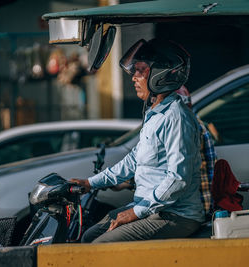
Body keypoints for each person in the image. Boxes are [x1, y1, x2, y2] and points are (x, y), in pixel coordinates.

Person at [70, 38, 204, 243]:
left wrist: (136, 212)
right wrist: (90, 183)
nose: (133, 77)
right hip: (152, 210)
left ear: (161, 74)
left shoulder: (176, 117)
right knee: (89, 236)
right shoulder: (155, 114)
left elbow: (178, 179)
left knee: (101, 245)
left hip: (175, 214)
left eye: (140, 70)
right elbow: (133, 161)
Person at [176, 86, 217, 217]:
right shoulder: (195, 122)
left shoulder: (184, 126)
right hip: (199, 206)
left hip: (189, 211)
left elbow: (175, 174)